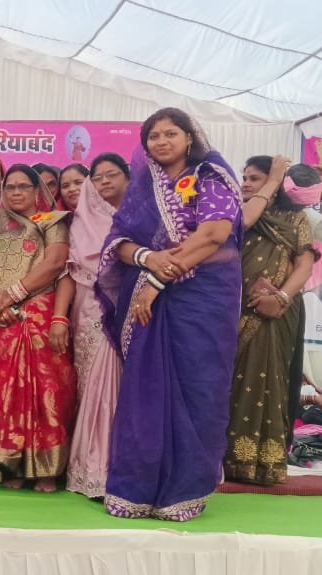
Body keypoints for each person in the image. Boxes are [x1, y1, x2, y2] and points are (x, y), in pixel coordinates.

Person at [97, 108, 241, 521]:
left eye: (170, 133)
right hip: (150, 299)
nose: (161, 142)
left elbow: (213, 235)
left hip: (202, 300)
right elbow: (119, 241)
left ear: (189, 137)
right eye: (154, 136)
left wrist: (158, 280)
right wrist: (148, 258)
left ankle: (184, 491)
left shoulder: (209, 176)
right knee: (146, 390)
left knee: (198, 388)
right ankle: (136, 489)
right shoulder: (143, 188)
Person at [224, 162, 321, 485]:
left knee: (267, 381)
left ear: (277, 183)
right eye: (244, 178)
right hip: (233, 309)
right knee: (230, 381)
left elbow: (304, 265)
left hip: (276, 313)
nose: (246, 183)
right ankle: (224, 458)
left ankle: (260, 461)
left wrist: (279, 298)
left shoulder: (296, 219)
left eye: (255, 178)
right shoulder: (237, 213)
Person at [0, 164, 75, 491]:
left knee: (48, 390)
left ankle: (47, 469)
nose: (16, 192)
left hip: (41, 314)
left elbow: (56, 264)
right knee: (6, 392)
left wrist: (15, 293)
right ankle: (12, 466)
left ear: (38, 191)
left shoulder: (53, 221)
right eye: (10, 187)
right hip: (2, 319)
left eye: (24, 186)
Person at [64, 157, 129, 499]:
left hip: (135, 307)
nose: (104, 182)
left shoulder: (140, 216)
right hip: (90, 308)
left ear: (128, 178)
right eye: (98, 177)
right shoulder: (82, 221)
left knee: (123, 388)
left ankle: (119, 466)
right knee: (93, 384)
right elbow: (74, 270)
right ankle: (91, 468)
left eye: (112, 175)